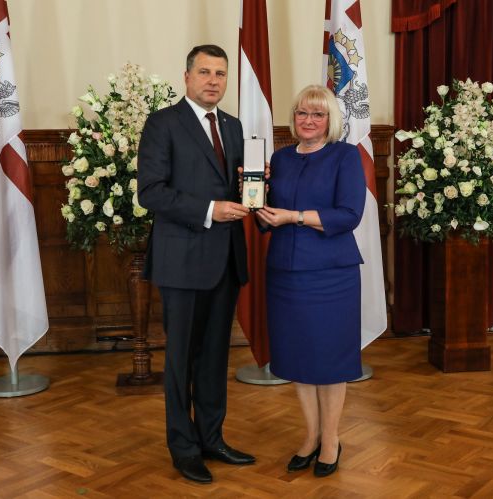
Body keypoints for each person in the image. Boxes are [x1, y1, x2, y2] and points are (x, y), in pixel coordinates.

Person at [137, 44, 254, 484]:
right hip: (182, 262)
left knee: (214, 358)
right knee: (181, 361)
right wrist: (210, 210)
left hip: (226, 261)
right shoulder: (163, 123)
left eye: (220, 74)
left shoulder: (234, 126)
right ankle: (183, 448)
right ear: (186, 77)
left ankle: (211, 438)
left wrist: (254, 190)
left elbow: (238, 187)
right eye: (204, 72)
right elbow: (150, 191)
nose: (213, 81)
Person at [255, 85, 366, 478]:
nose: (308, 120)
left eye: (318, 114)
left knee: (329, 360)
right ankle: (311, 435)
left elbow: (349, 214)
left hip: (331, 275)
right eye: (302, 113)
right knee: (298, 357)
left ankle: (331, 439)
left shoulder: (345, 156)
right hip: (285, 274)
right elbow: (267, 216)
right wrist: (252, 190)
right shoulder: (280, 158)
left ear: (330, 120)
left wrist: (296, 217)